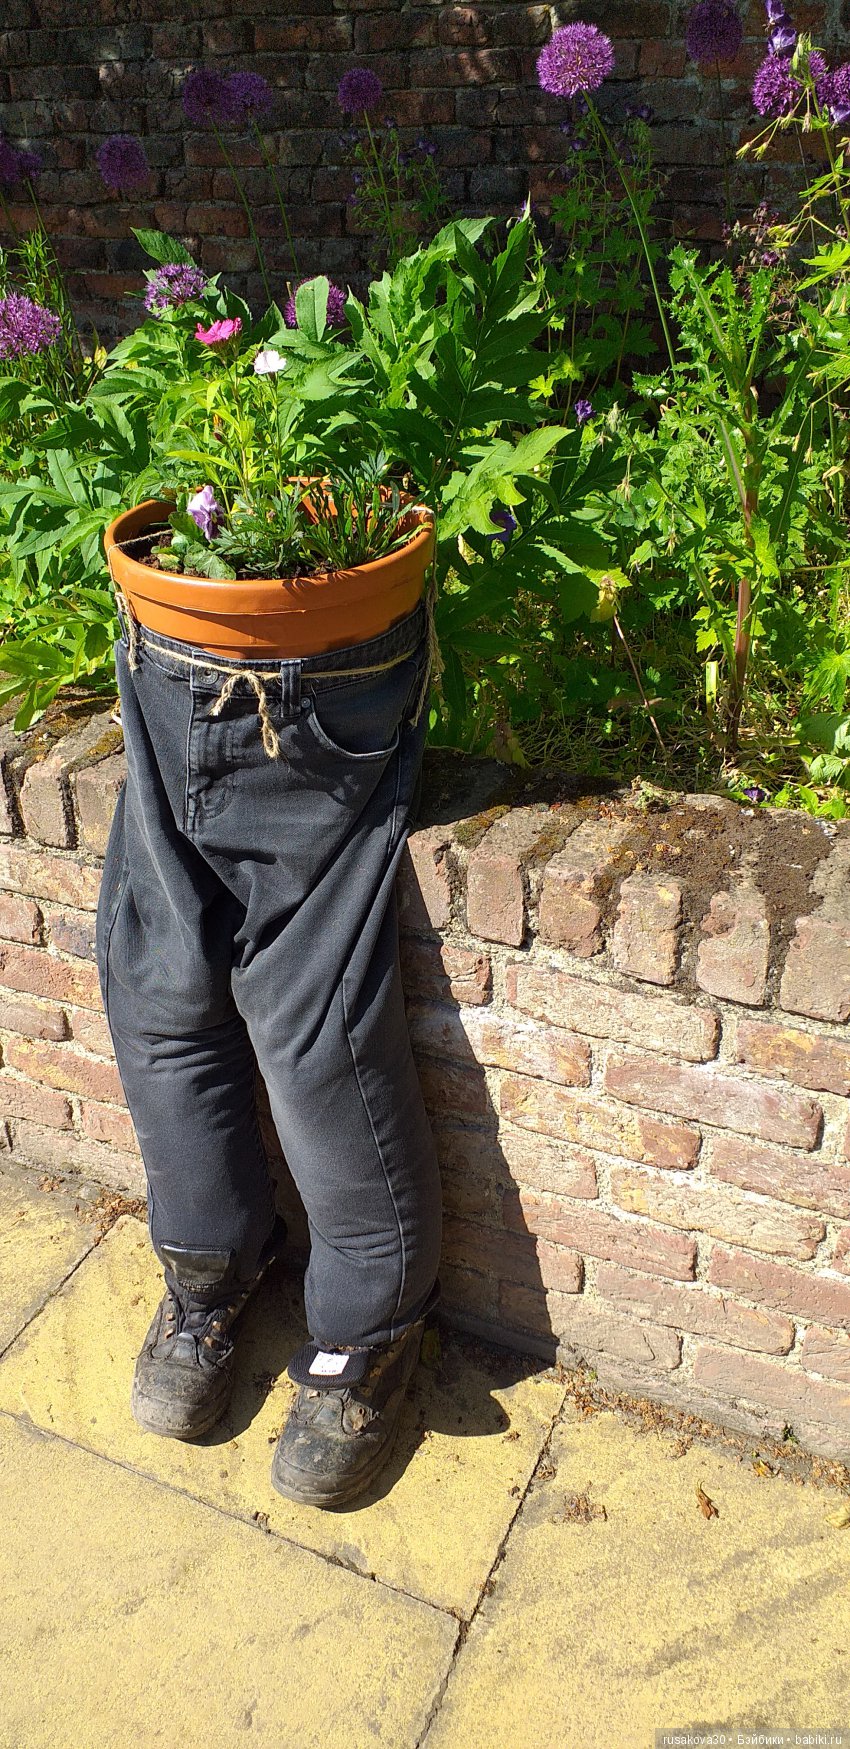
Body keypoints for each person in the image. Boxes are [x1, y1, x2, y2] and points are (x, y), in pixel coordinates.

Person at [95, 589, 442, 1509]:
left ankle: (368, 1333)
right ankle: (209, 1270)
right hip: (171, 654)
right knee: (160, 986)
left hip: (329, 677)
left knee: (316, 1027)